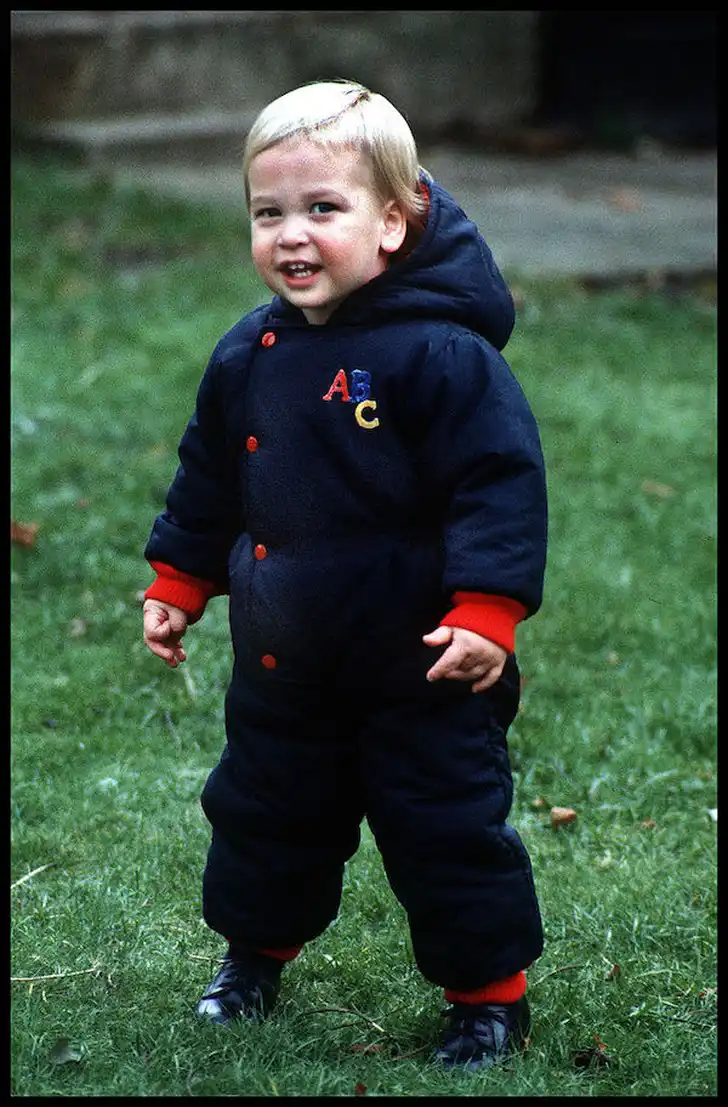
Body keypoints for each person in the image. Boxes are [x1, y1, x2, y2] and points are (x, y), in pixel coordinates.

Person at [142, 79, 548, 1072]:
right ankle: (251, 962)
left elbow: (497, 485)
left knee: (447, 833)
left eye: (323, 208)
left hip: (424, 670)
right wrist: (179, 580)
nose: (292, 234)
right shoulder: (248, 353)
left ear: (395, 223)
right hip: (285, 667)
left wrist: (487, 612)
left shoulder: (443, 356)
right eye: (268, 212)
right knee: (263, 820)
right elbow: (209, 479)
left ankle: (488, 1002)